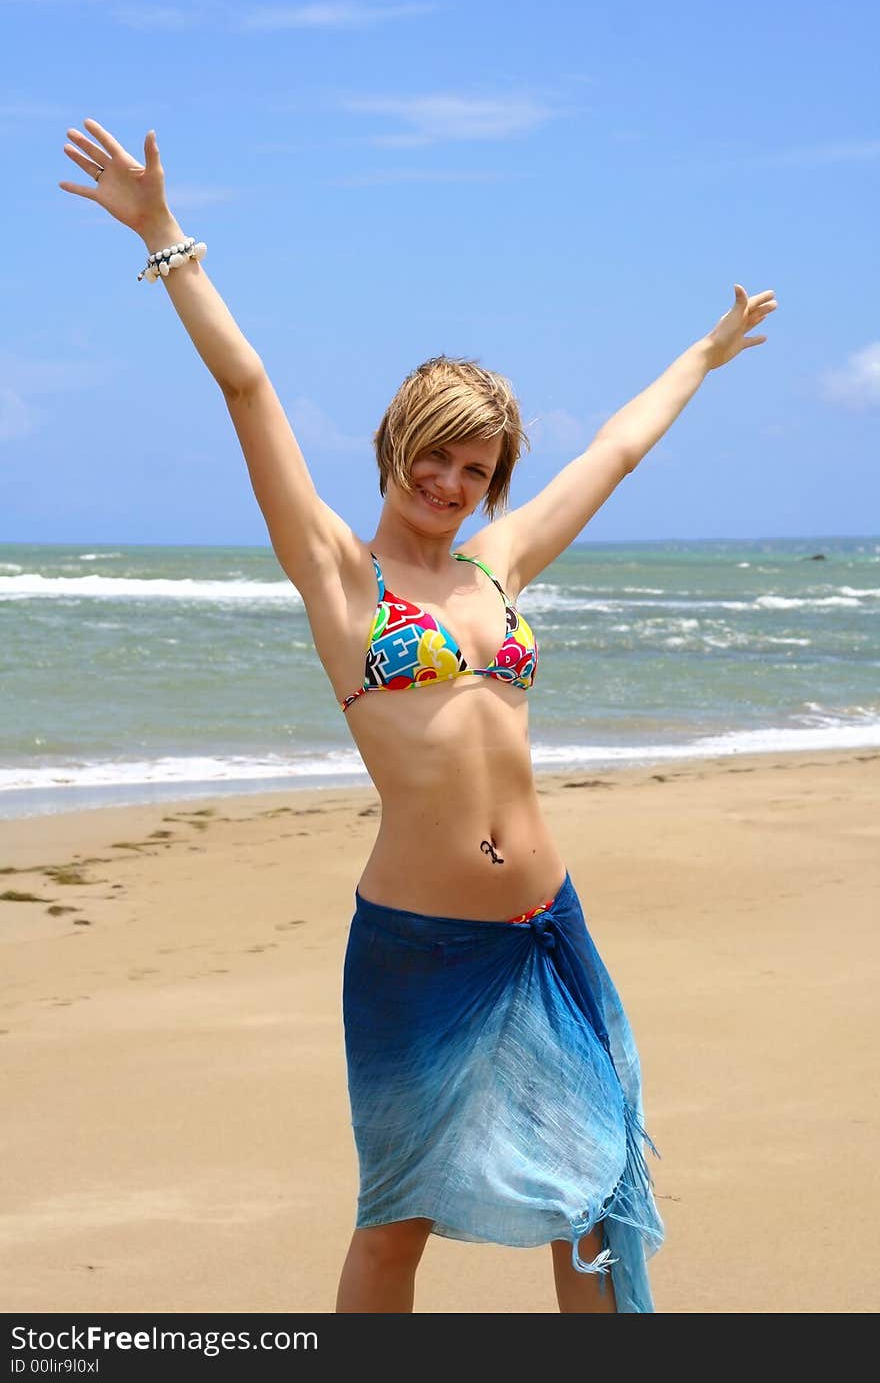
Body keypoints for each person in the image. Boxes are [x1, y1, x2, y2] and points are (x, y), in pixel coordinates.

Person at [59, 119, 777, 1315]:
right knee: (397, 1222)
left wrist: (702, 355)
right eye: (435, 460)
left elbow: (615, 450)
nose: (452, 487)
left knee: (594, 1201)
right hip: (417, 949)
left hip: (547, 929)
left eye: (476, 470)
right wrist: (161, 234)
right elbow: (249, 387)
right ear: (396, 446)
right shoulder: (342, 577)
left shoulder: (497, 565)